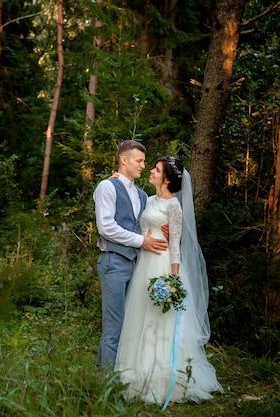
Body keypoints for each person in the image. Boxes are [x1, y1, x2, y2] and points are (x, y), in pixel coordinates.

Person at [114, 156, 223, 409]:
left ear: (167, 179)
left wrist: (173, 279)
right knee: (140, 316)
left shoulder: (174, 206)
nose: (151, 171)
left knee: (160, 319)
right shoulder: (148, 199)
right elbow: (138, 226)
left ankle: (161, 378)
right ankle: (135, 374)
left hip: (162, 264)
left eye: (157, 169)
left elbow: (175, 244)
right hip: (144, 262)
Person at [93, 140, 169, 372]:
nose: (143, 166)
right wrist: (142, 241)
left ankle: (123, 377)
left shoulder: (142, 195)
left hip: (137, 265)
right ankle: (106, 383)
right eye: (139, 161)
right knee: (114, 326)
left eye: (145, 162)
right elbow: (106, 227)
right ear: (123, 160)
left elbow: (155, 213)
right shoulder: (107, 187)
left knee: (131, 325)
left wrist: (165, 228)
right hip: (113, 263)